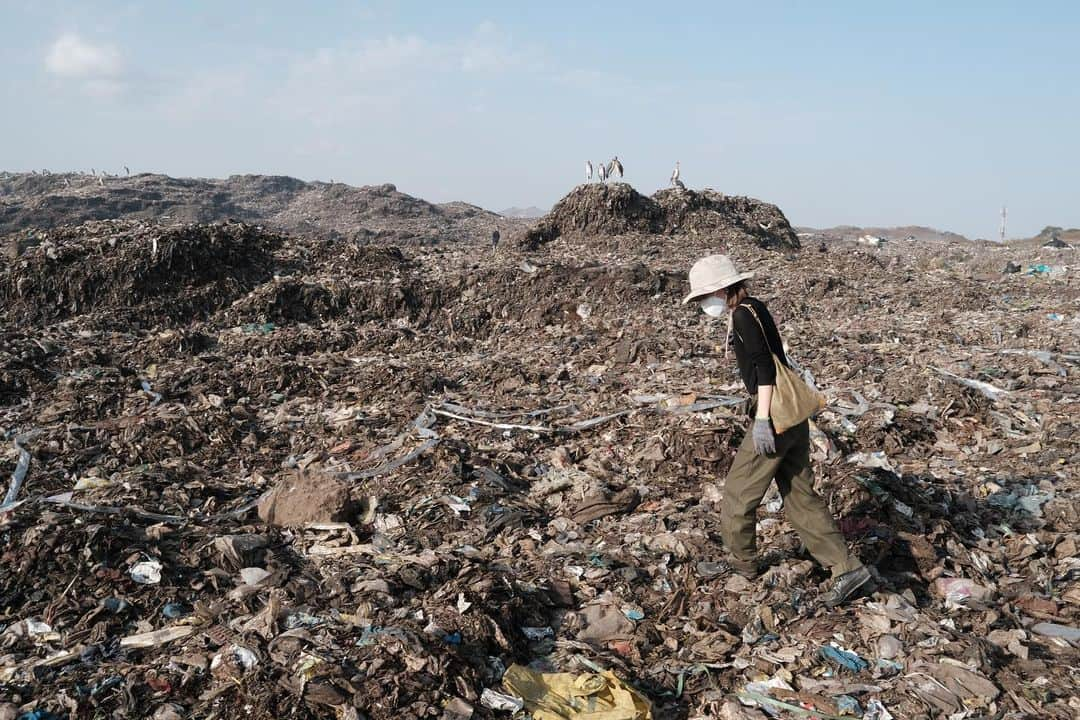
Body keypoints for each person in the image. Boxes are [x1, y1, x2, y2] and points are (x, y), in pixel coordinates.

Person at [683, 254, 874, 607]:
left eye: (704, 296)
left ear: (722, 289)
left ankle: (742, 565)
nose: (704, 304)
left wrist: (762, 420)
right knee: (800, 495)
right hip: (794, 414)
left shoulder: (742, 315)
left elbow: (766, 369)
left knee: (739, 492)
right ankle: (846, 568)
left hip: (775, 416)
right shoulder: (754, 307)